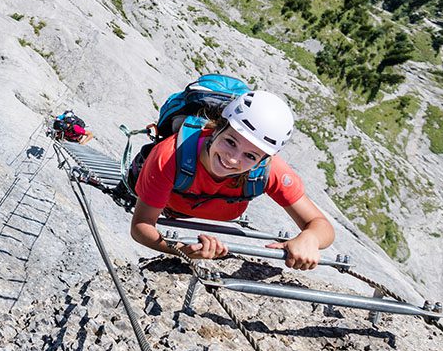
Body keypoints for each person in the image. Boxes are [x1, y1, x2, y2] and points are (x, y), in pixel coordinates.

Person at [129, 90, 334, 270]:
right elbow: (141, 226)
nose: (233, 159)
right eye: (230, 141)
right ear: (217, 128)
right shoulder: (169, 157)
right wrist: (182, 250)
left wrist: (310, 238)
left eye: (251, 156)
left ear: (264, 159)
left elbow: (320, 224)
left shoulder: (271, 170)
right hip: (170, 205)